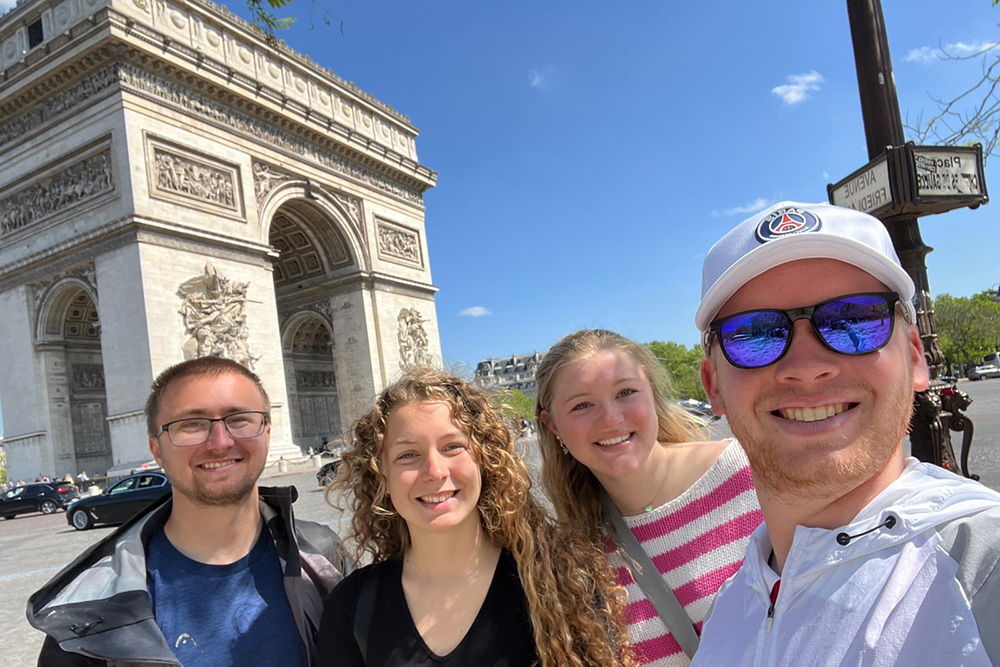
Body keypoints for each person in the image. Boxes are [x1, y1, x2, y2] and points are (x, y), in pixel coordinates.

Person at [690, 201, 1000, 666]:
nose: (807, 367)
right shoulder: (731, 609)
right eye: (755, 333)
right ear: (713, 386)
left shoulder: (983, 572)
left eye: (852, 319)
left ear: (916, 357)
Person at [28, 356, 352, 667]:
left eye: (239, 419)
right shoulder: (90, 606)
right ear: (156, 449)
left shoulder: (324, 554)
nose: (220, 442)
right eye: (191, 425)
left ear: (267, 434)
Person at [318, 367, 633, 667]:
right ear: (381, 475)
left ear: (485, 460)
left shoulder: (563, 582)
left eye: (453, 446)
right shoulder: (349, 607)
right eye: (408, 454)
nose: (435, 471)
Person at [535, 329, 762, 666]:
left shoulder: (751, 472)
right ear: (552, 426)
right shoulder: (572, 553)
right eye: (582, 405)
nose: (611, 419)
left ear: (652, 395)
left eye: (625, 392)